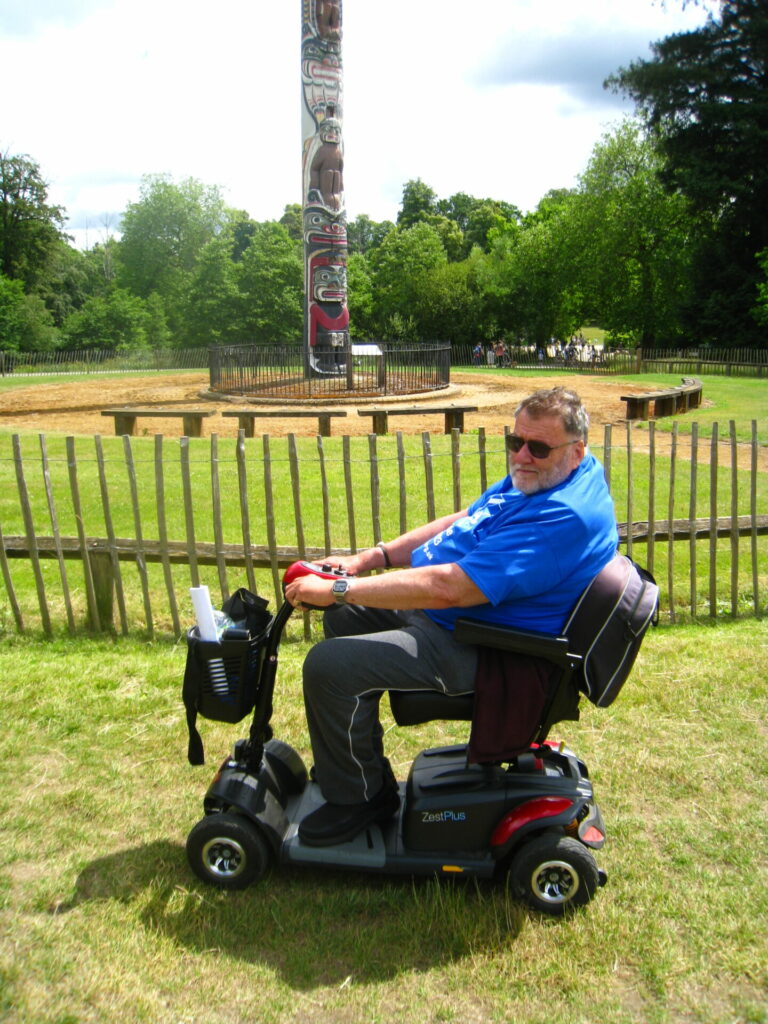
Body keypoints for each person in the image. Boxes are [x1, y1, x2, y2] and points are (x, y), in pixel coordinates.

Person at [284, 387, 619, 846]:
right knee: (346, 621)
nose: (522, 455)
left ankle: (360, 800)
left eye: (537, 447)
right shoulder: (550, 475)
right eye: (515, 441)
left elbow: (451, 587)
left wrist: (338, 588)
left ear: (576, 450)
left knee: (328, 666)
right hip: (460, 617)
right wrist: (368, 559)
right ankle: (357, 772)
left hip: (489, 646)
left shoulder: (563, 514)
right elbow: (467, 517)